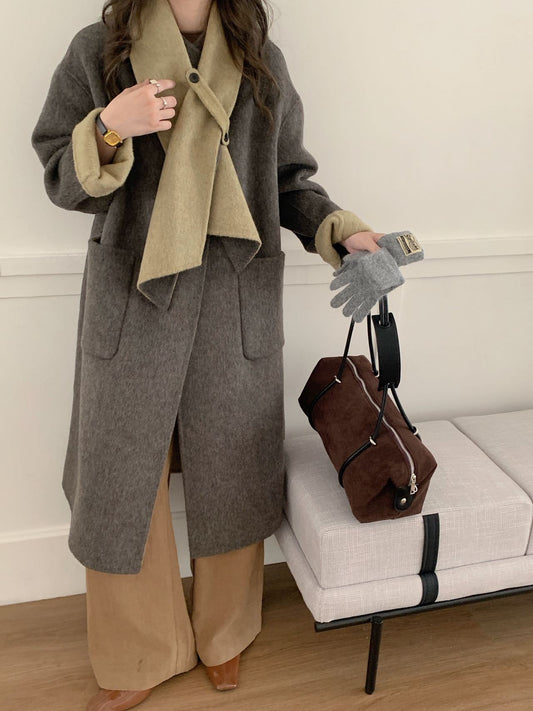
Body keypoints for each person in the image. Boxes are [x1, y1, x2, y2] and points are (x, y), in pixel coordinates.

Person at [30, 1, 407, 709]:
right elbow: (60, 173)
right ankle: (138, 649)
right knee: (123, 477)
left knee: (231, 463)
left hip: (234, 293)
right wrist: (112, 126)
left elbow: (288, 180)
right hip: (134, 293)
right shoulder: (99, 48)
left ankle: (224, 632)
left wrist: (339, 230)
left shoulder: (259, 57)